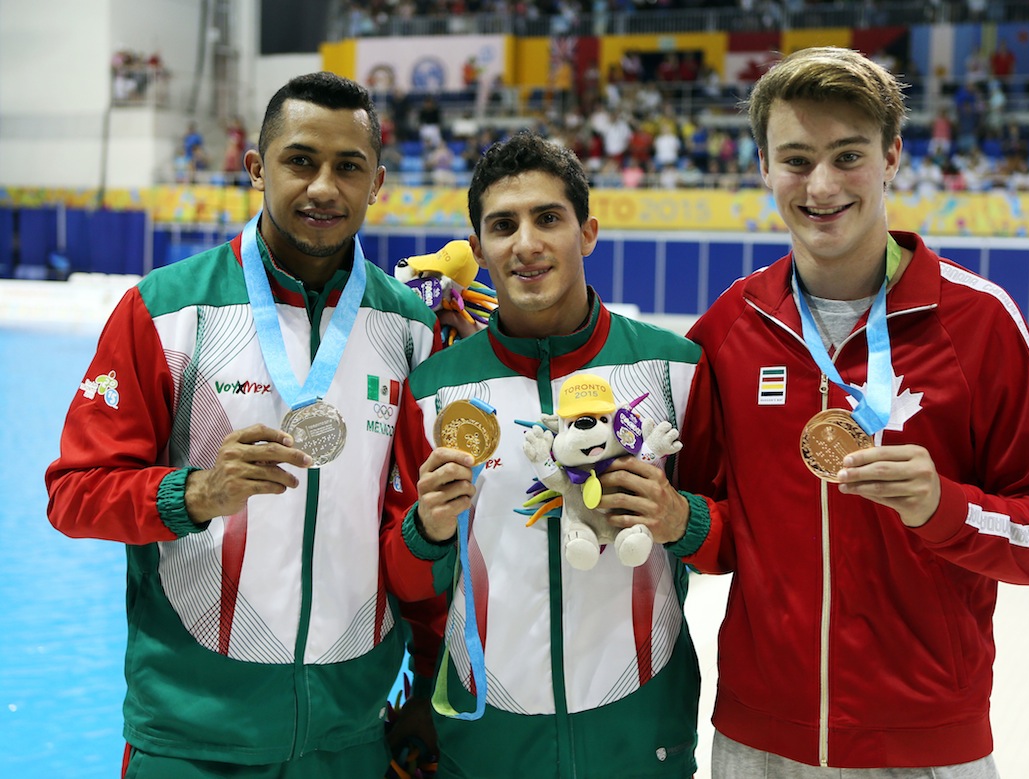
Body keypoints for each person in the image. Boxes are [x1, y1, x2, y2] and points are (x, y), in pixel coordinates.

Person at [677, 47, 1029, 778]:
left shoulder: (979, 321)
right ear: (763, 166)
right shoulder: (731, 326)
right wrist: (676, 519)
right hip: (759, 741)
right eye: (797, 160)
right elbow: (717, 530)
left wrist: (944, 506)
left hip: (926, 742)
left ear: (892, 155)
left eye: (847, 155)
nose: (822, 185)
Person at [45, 71, 445, 777]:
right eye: (300, 160)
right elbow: (74, 494)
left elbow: (424, 530)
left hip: (350, 735)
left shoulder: (411, 331)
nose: (324, 186)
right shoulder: (165, 312)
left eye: (348, 166)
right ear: (257, 168)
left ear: (377, 183)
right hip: (192, 735)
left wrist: (427, 682)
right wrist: (193, 493)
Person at [380, 131, 708, 778]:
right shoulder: (433, 391)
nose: (525, 243)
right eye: (503, 225)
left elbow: (729, 536)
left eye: (547, 218)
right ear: (477, 249)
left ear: (586, 232)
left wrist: (681, 518)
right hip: (485, 739)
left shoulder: (675, 372)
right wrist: (426, 530)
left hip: (641, 734)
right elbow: (404, 576)